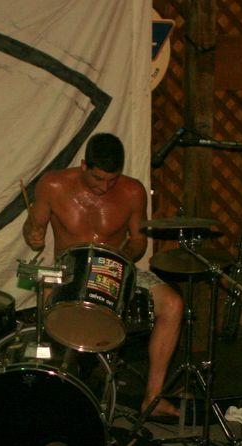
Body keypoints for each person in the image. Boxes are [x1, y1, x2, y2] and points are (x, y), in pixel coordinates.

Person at [23, 132, 184, 419]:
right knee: (47, 297)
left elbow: (139, 241)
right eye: (98, 178)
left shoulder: (132, 191)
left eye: (112, 179)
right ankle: (52, 388)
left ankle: (153, 398)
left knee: (173, 304)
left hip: (116, 267)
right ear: (84, 165)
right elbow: (32, 226)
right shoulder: (53, 184)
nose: (104, 187)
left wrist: (123, 256)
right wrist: (32, 234)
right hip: (69, 268)